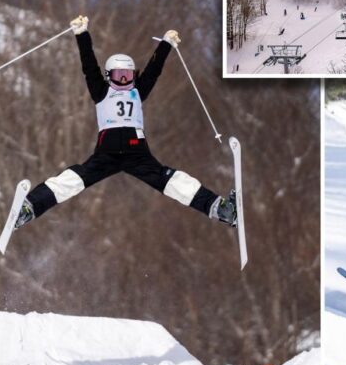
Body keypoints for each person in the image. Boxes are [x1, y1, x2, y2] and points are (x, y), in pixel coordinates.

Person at [12, 15, 237, 230]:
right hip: (106, 152)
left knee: (171, 181)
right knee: (73, 180)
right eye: (119, 75)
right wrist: (82, 34)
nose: (123, 80)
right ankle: (28, 209)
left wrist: (166, 44)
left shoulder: (138, 91)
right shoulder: (101, 90)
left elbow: (153, 71)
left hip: (136, 151)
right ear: (109, 75)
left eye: (128, 75)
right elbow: (89, 66)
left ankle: (220, 209)